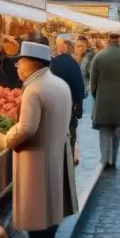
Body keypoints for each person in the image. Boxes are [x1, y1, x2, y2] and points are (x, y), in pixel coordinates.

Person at [3, 42, 78, 238]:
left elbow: (27, 127)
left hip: (36, 159)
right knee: (49, 214)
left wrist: (6, 138)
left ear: (32, 62)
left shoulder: (34, 89)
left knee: (37, 216)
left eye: (20, 60)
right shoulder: (58, 83)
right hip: (56, 154)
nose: (17, 65)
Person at [89, 32, 120, 170]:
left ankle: (104, 159)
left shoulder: (99, 57)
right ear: (119, 41)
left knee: (104, 130)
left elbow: (93, 81)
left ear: (108, 40)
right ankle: (113, 159)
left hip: (103, 98)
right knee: (117, 131)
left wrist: (96, 94)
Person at [51, 35, 85, 166]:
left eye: (58, 44)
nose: (56, 46)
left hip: (55, 106)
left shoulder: (53, 63)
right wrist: (79, 109)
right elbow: (79, 88)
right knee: (70, 133)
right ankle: (69, 160)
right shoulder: (74, 64)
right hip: (69, 107)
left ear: (64, 46)